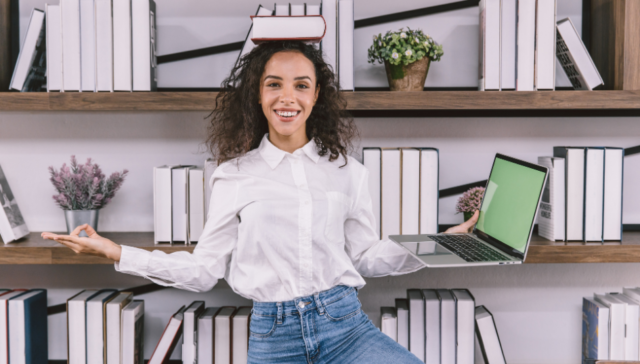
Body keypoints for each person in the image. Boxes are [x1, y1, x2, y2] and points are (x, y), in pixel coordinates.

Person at [42, 41, 479, 363]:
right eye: (275, 84)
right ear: (258, 93)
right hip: (274, 338)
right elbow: (202, 271)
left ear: (316, 96)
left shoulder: (348, 171)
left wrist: (443, 242)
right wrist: (118, 252)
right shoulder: (233, 175)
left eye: (301, 86)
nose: (287, 97)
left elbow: (366, 257)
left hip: (346, 328)